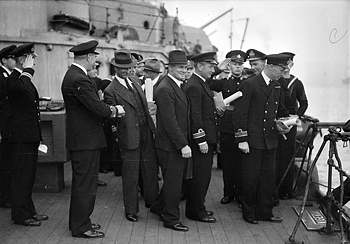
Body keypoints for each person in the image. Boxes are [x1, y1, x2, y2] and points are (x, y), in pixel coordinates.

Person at [61, 40, 125, 238]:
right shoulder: (79, 78)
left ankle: (79, 223)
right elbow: (97, 107)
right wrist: (115, 110)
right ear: (88, 57)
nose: (95, 62)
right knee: (85, 185)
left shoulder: (74, 75)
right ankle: (81, 227)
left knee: (83, 184)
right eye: (94, 58)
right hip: (85, 141)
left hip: (82, 139)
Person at [233, 54, 290, 224]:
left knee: (267, 178)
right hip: (252, 139)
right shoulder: (250, 84)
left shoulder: (277, 86)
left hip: (269, 139)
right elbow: (239, 113)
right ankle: (248, 211)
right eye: (281, 69)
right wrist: (242, 138)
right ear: (271, 66)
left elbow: (280, 111)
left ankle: (265, 211)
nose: (284, 72)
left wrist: (284, 122)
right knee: (250, 177)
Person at [104, 49, 159, 222]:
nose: (127, 70)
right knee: (131, 174)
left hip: (146, 132)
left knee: (150, 170)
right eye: (122, 68)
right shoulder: (110, 90)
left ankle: (153, 203)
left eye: (129, 67)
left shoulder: (135, 81)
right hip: (129, 136)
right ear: (115, 69)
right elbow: (111, 118)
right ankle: (131, 210)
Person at [5, 43, 48, 226]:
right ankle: (21, 215)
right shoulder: (13, 78)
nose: (34, 63)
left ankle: (29, 210)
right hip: (21, 138)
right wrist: (27, 69)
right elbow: (20, 88)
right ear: (22, 60)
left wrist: (27, 71)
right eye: (31, 59)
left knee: (28, 176)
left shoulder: (22, 77)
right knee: (22, 177)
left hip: (29, 136)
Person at [150, 50, 191, 232]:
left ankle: (159, 207)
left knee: (172, 181)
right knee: (174, 184)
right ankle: (171, 219)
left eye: (186, 67)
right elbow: (169, 122)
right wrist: (182, 144)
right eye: (180, 67)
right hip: (171, 145)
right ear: (170, 68)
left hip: (171, 143)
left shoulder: (174, 84)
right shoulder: (166, 88)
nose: (184, 70)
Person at [208, 50, 247, 206]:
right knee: (228, 163)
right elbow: (206, 82)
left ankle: (240, 194)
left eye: (240, 65)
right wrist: (217, 69)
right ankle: (228, 193)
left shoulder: (249, 82)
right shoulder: (224, 82)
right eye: (234, 64)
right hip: (227, 126)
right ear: (229, 66)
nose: (237, 67)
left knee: (242, 163)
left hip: (243, 127)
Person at [183, 52, 218, 223]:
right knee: (200, 177)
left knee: (202, 176)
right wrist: (201, 139)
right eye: (210, 67)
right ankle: (195, 211)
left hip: (207, 136)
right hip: (202, 139)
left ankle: (198, 207)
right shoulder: (194, 86)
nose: (213, 70)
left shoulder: (199, 83)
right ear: (199, 66)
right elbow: (195, 116)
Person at [275, 52, 308, 199]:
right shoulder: (276, 80)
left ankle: (286, 190)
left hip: (291, 123)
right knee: (275, 155)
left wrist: (297, 115)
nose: (286, 67)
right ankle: (273, 189)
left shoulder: (297, 82)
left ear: (291, 65)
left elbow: (304, 102)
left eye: (288, 63)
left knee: (288, 156)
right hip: (276, 122)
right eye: (284, 64)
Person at [0, 44, 16, 209]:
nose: (15, 60)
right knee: (5, 162)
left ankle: (7, 195)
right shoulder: (2, 76)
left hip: (10, 125)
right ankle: (4, 197)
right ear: (4, 60)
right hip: (4, 125)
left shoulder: (9, 75)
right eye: (12, 58)